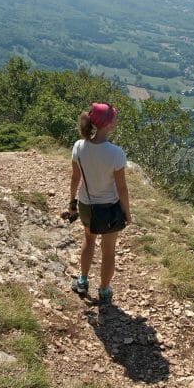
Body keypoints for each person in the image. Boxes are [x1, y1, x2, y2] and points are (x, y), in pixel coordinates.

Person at [65, 102, 131, 305]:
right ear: (108, 124)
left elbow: (75, 178)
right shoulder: (116, 153)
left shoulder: (78, 146)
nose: (116, 121)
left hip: (87, 204)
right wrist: (127, 212)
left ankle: (83, 281)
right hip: (110, 208)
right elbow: (121, 188)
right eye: (114, 118)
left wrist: (72, 203)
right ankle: (104, 291)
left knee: (89, 240)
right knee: (109, 251)